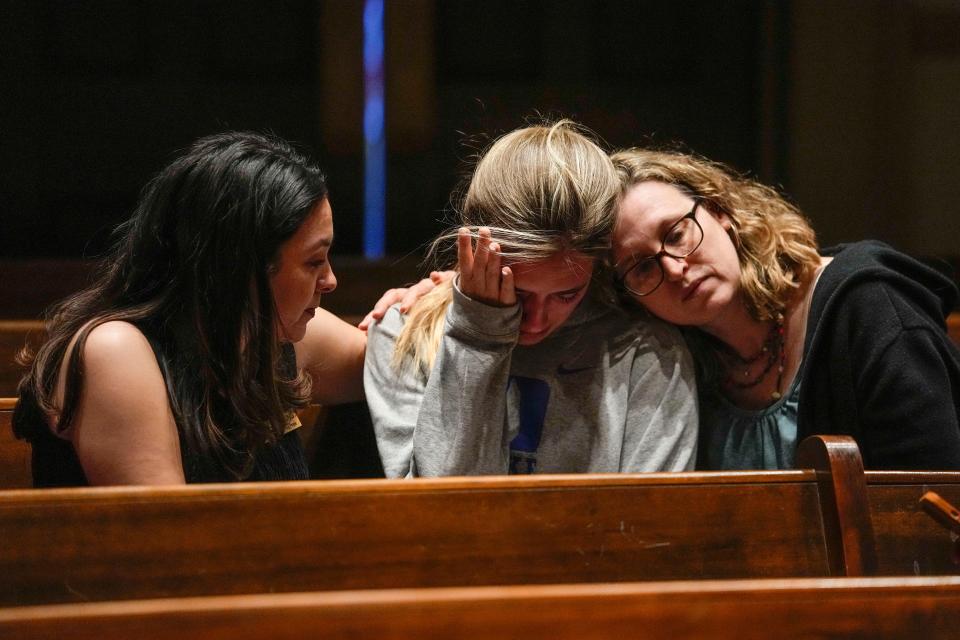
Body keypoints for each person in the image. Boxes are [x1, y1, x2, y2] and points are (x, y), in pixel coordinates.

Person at [13, 131, 367, 486]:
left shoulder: (269, 332)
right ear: (241, 267)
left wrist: (418, 299)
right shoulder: (116, 352)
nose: (330, 280)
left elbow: (405, 364)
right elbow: (169, 532)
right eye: (314, 261)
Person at [363, 121, 698, 478]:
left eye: (567, 294)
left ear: (599, 267)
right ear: (472, 250)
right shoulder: (402, 333)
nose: (536, 321)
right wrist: (477, 332)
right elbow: (442, 512)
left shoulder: (646, 353)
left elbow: (650, 527)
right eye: (519, 294)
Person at [609, 148, 960, 470]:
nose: (674, 269)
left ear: (719, 211)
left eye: (675, 235)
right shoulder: (676, 366)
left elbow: (931, 501)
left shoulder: (868, 304)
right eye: (642, 268)